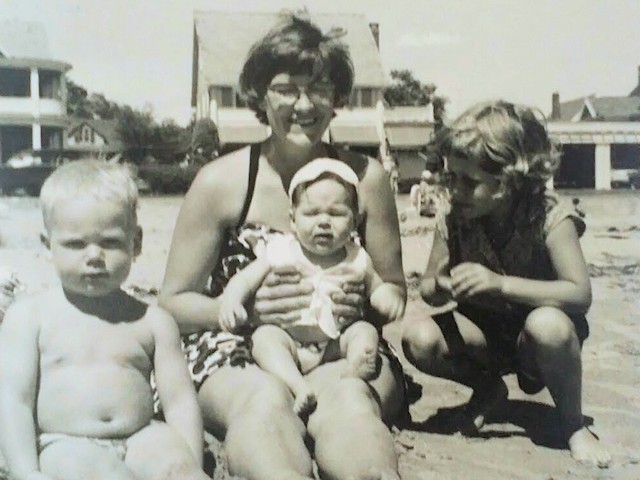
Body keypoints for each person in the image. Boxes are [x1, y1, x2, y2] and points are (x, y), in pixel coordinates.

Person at [159, 10, 407, 480]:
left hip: (341, 345)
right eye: (286, 88)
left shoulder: (367, 179)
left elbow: (393, 287)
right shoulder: (222, 182)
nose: (304, 103)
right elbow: (171, 304)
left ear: (337, 98)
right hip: (235, 348)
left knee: (350, 400)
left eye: (318, 88)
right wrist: (247, 313)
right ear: (259, 95)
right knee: (263, 402)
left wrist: (359, 307)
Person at [401, 100, 611, 468]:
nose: (456, 190)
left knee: (547, 324)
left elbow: (579, 294)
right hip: (485, 334)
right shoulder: (455, 218)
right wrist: (445, 285)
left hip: (540, 340)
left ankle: (573, 424)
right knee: (419, 338)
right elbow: (429, 287)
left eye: (470, 182)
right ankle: (488, 389)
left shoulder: (548, 216)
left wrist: (500, 285)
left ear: (510, 182)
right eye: (452, 177)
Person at [0, 160, 210, 480]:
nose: (94, 256)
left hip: (142, 436)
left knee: (177, 468)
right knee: (98, 473)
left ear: (135, 243)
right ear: (48, 246)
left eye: (110, 242)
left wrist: (189, 463)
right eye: (75, 244)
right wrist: (27, 472)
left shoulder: (152, 321)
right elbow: (15, 402)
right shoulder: (29, 318)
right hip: (65, 442)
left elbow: (179, 401)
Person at [219, 158, 405, 417]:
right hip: (290, 341)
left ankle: (354, 370)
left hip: (333, 345)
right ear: (292, 220)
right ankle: (298, 385)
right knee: (264, 339)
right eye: (311, 213)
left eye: (337, 213)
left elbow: (376, 286)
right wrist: (233, 301)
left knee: (363, 331)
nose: (324, 222)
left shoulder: (357, 258)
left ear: (354, 221)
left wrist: (386, 297)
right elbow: (244, 280)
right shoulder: (281, 250)